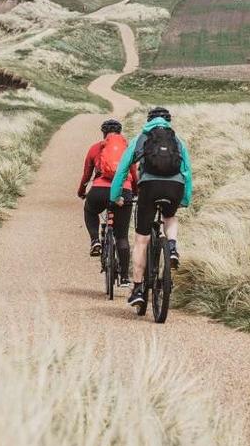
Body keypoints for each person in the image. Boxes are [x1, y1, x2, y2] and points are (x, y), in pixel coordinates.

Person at [109, 106, 192, 308]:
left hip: (149, 187)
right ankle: (171, 247)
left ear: (149, 120)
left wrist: (115, 196)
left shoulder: (141, 138)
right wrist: (185, 199)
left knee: (141, 239)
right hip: (175, 187)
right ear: (168, 121)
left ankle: (137, 288)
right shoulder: (177, 141)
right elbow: (187, 172)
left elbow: (122, 169)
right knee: (170, 217)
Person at [79, 118, 138, 285]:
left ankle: (95, 240)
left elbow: (86, 175)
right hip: (122, 191)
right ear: (120, 133)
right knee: (122, 237)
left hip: (99, 190)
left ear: (104, 133)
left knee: (90, 210)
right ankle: (125, 277)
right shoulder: (126, 149)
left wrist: (81, 191)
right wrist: (135, 192)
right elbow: (134, 175)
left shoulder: (95, 148)